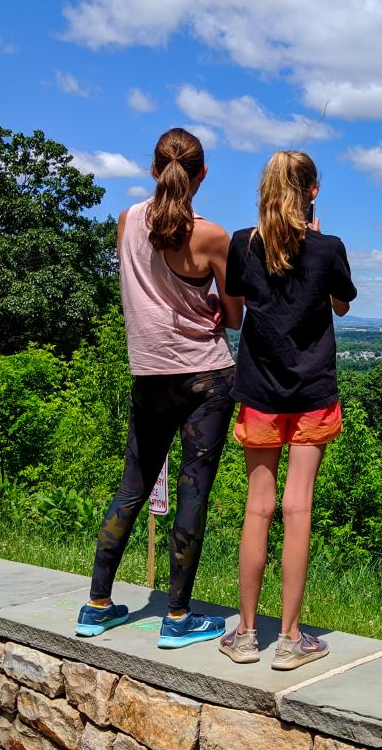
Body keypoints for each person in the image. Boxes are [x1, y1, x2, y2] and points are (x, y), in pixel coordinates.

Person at [76, 128, 242, 649]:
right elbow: (234, 317)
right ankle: (176, 616)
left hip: (149, 375)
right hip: (206, 375)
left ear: (153, 169)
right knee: (194, 493)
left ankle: (97, 604)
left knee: (132, 486)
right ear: (202, 175)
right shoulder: (214, 237)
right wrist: (212, 308)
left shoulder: (126, 222)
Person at [218, 150, 356, 670]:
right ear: (313, 192)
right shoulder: (328, 249)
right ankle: (292, 639)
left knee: (259, 507)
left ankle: (247, 634)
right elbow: (341, 303)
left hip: (258, 390)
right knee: (298, 507)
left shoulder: (241, 245)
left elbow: (238, 308)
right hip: (313, 393)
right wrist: (315, 242)